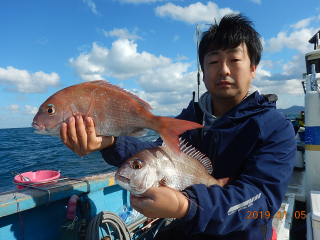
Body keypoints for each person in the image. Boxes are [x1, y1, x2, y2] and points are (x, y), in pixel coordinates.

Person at [60, 13, 296, 240]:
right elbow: (156, 155)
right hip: (190, 230)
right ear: (203, 73)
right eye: (213, 61)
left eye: (234, 60)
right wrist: (111, 143)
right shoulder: (191, 116)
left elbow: (261, 202)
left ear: (253, 68)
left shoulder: (276, 128)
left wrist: (185, 205)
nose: (224, 69)